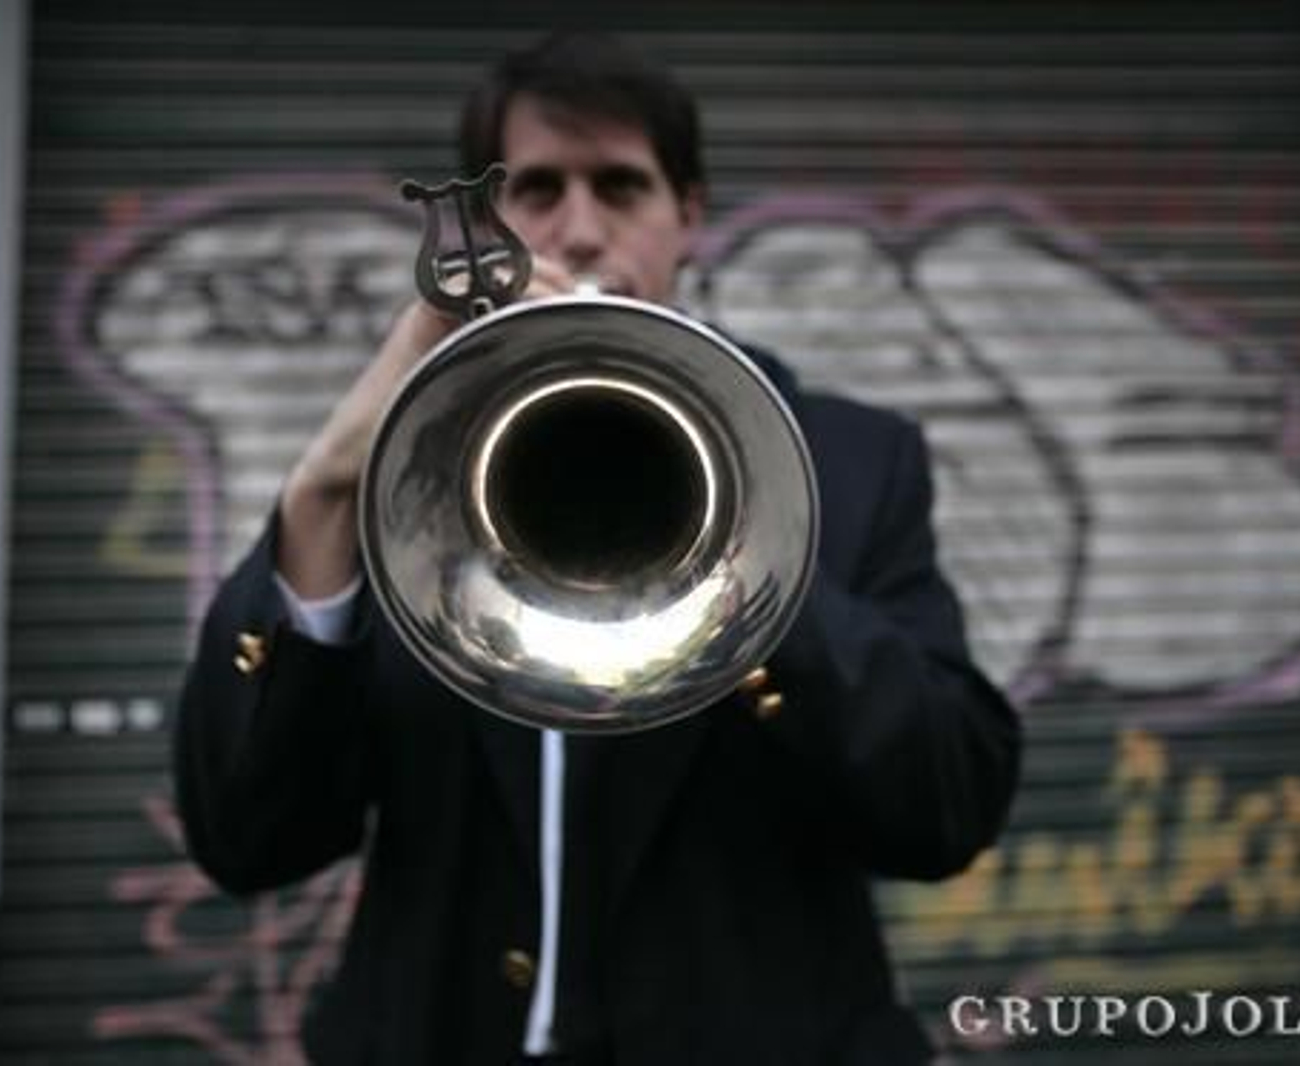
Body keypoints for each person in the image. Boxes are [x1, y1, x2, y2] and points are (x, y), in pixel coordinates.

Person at [174, 31, 1021, 1066]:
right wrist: (323, 494)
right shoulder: (411, 477)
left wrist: (749, 561)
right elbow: (249, 839)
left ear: (687, 216)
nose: (580, 230)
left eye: (622, 187)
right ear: (487, 224)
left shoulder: (849, 460)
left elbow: (945, 811)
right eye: (536, 190)